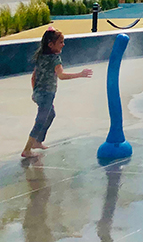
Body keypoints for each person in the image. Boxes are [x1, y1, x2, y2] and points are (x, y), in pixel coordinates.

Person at [21, 28, 93, 158]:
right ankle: (27, 149)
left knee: (50, 114)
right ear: (51, 45)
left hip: (38, 93)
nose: (63, 44)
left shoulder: (40, 57)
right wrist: (80, 74)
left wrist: (35, 92)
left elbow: (33, 77)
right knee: (40, 120)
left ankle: (37, 141)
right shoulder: (55, 59)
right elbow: (61, 76)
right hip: (47, 94)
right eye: (60, 42)